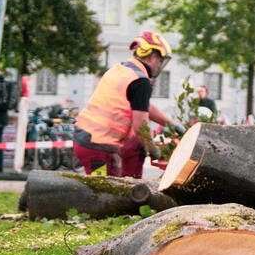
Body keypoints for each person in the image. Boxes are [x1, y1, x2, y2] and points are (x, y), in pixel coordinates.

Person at [73, 32, 178, 178]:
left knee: (103, 188)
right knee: (105, 193)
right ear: (153, 56)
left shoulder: (121, 70)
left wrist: (174, 126)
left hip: (85, 138)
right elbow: (140, 128)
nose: (160, 65)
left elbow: (144, 106)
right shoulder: (140, 82)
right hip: (98, 147)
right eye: (160, 61)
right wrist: (154, 151)